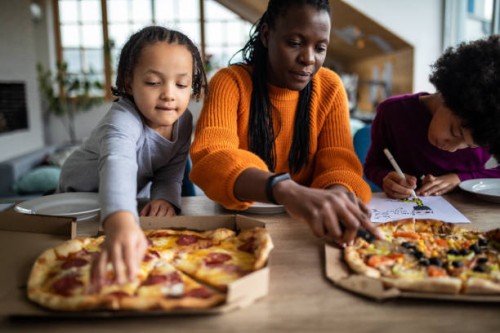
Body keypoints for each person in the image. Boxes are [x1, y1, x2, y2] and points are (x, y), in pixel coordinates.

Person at [190, 0, 382, 245]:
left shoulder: (329, 86)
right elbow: (212, 155)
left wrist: (338, 196)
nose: (308, 59)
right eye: (294, 43)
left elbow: (339, 161)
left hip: (306, 228)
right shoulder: (230, 82)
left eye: (320, 47)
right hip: (235, 225)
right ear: (267, 35)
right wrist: (286, 191)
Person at [58, 26, 207, 286]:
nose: (169, 94)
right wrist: (120, 222)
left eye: (182, 84)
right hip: (76, 202)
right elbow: (119, 164)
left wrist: (164, 198)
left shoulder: (184, 123)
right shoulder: (121, 119)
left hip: (122, 202)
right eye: (153, 82)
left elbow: (171, 172)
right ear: (129, 82)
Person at [364, 35, 500, 199]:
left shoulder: (488, 127)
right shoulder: (392, 112)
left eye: (470, 146)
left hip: (468, 211)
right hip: (409, 211)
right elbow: (373, 166)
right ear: (448, 95)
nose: (453, 148)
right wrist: (385, 178)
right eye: (455, 132)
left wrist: (459, 179)